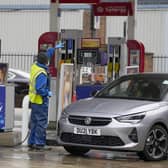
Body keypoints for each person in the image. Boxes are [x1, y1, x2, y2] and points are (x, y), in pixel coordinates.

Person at [28, 42, 64, 151]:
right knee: (41, 123)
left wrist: (53, 48)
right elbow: (39, 89)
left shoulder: (35, 66)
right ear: (46, 62)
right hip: (40, 101)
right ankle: (39, 144)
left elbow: (46, 55)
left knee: (34, 122)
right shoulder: (42, 73)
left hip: (33, 101)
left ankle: (32, 142)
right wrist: (47, 93)